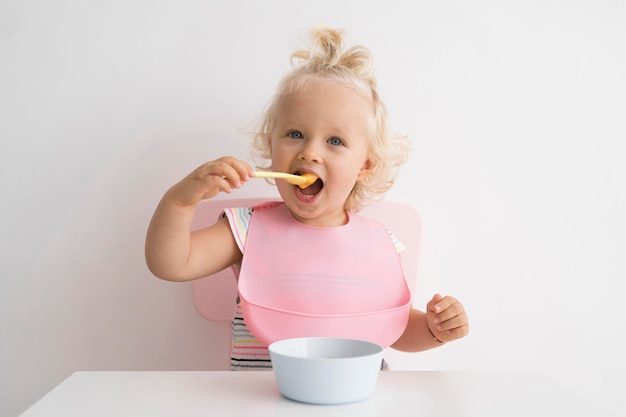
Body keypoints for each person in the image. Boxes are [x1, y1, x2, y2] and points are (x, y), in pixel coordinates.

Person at [145, 25, 469, 370]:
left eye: (335, 141)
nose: (310, 152)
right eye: (295, 134)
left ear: (365, 165)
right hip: (260, 402)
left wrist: (436, 330)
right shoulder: (247, 229)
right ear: (271, 146)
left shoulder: (381, 244)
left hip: (353, 400)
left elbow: (394, 330)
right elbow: (170, 263)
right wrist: (180, 201)